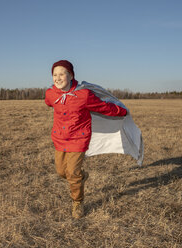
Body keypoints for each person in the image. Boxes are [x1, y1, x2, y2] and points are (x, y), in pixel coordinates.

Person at [45, 60, 127, 219]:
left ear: (71, 75)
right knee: (61, 172)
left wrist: (121, 111)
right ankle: (82, 177)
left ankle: (77, 202)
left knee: (72, 173)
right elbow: (49, 103)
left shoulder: (84, 95)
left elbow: (103, 107)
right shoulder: (50, 93)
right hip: (59, 138)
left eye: (62, 74)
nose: (58, 78)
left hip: (78, 138)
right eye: (55, 75)